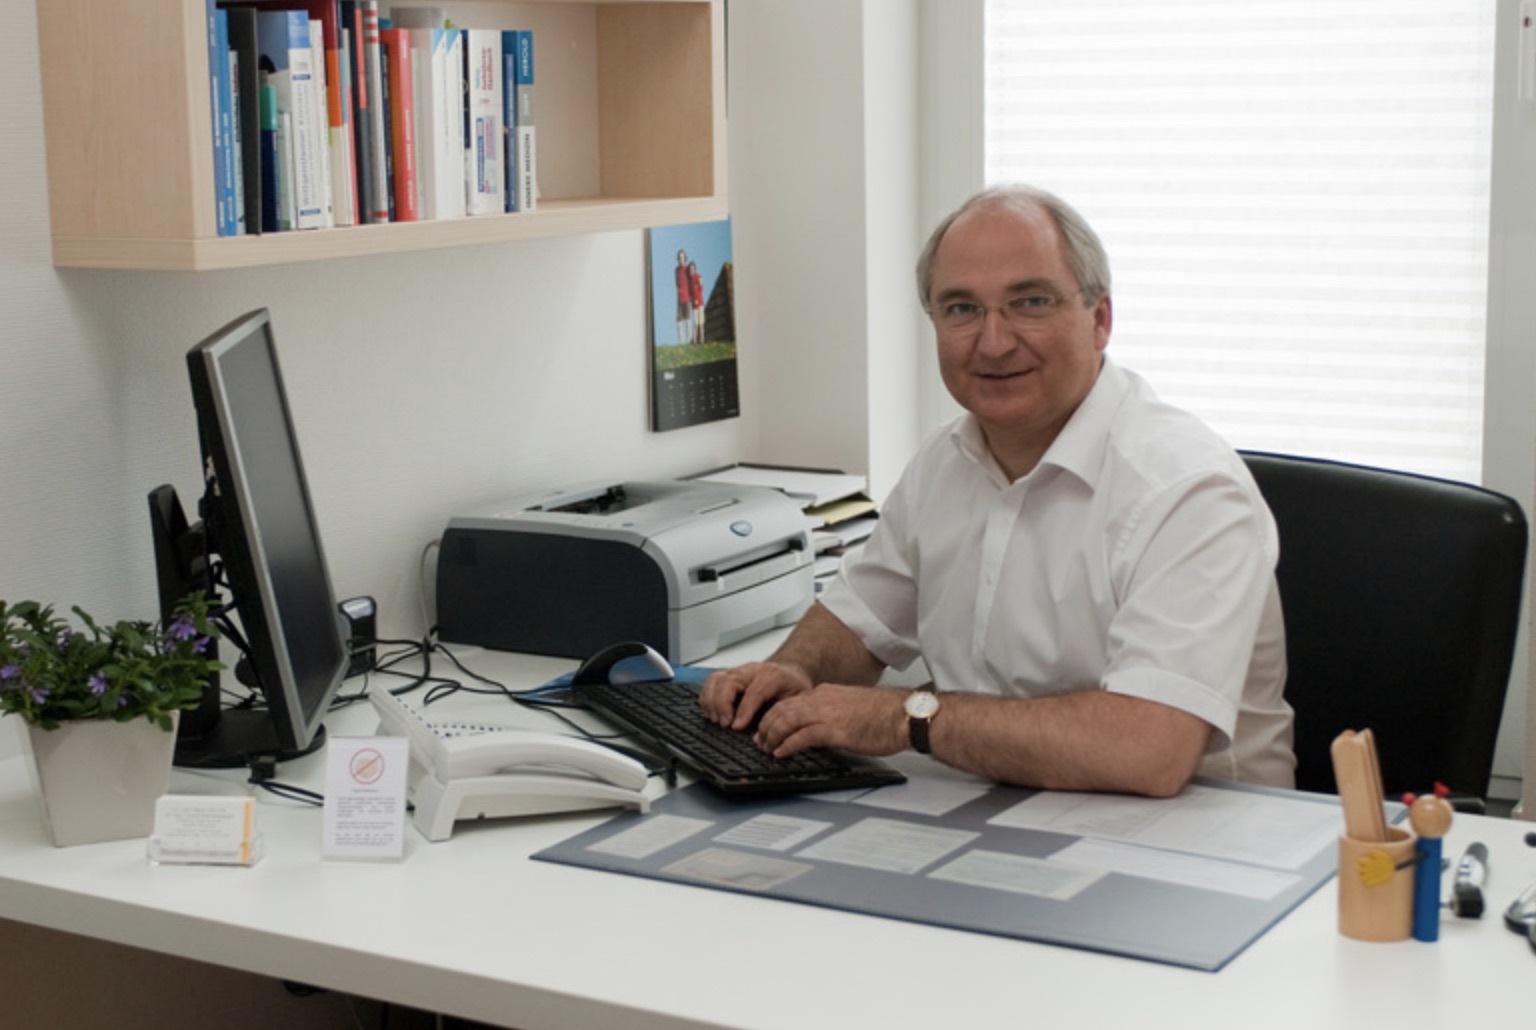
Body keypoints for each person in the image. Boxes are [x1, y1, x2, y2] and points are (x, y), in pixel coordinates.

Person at [700, 185, 1295, 797]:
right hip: (998, 809)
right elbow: (859, 621)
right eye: (961, 309)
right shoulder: (945, 463)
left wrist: (905, 718)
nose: (993, 342)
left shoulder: (1186, 489)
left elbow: (1148, 751)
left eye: (1030, 302)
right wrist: (790, 671)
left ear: (1100, 320)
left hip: (1190, 835)